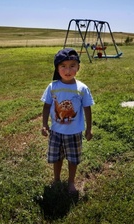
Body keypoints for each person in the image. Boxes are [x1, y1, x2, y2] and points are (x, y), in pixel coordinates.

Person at [41, 48, 94, 193]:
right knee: (57, 158)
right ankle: (56, 179)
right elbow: (46, 106)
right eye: (63, 66)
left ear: (78, 67)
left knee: (73, 158)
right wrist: (45, 124)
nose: (67, 70)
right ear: (57, 69)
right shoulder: (53, 87)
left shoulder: (82, 88)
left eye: (72, 65)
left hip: (74, 132)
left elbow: (87, 108)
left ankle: (71, 181)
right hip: (56, 131)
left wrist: (89, 128)